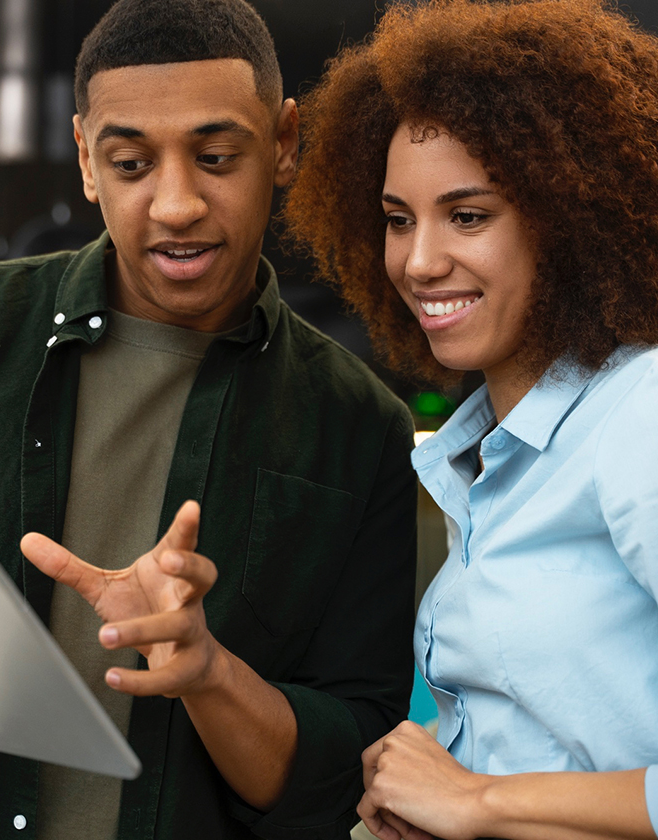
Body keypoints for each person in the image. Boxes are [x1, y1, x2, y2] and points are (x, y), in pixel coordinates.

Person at [0, 0, 419, 838]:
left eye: (216, 156)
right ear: (84, 160)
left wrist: (208, 672)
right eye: (131, 163)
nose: (176, 204)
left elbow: (343, 765)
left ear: (284, 143)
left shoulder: (358, 429)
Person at [283, 0, 658, 838]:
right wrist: (439, 779)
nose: (418, 261)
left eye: (469, 215)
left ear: (567, 222)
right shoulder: (490, 458)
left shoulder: (640, 415)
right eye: (396, 220)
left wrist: (479, 800)